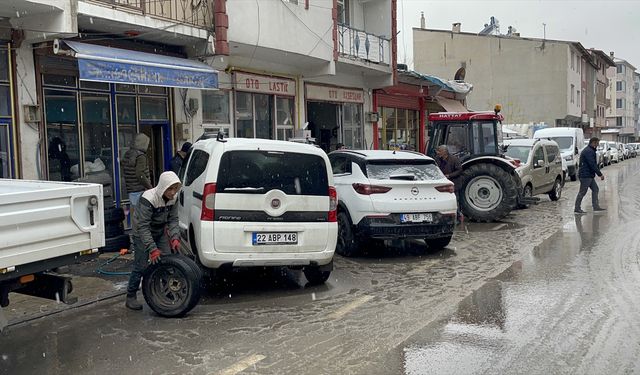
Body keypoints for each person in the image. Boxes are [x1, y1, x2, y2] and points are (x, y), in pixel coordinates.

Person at [125, 171, 182, 310]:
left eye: (175, 188)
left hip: (159, 230)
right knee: (141, 265)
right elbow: (143, 226)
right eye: (170, 189)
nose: (173, 192)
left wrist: (175, 237)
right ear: (163, 187)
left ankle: (164, 293)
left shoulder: (174, 198)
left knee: (167, 261)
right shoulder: (149, 199)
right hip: (141, 232)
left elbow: (173, 219)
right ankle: (130, 296)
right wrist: (152, 248)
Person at [574, 137, 605, 214]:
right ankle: (577, 208)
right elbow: (592, 164)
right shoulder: (589, 151)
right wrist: (600, 174)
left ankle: (596, 207)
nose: (598, 145)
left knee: (595, 189)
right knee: (582, 192)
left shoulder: (590, 150)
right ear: (593, 142)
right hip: (585, 175)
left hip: (589, 175)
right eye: (597, 143)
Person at [122, 133, 152, 208]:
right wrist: (149, 187)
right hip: (140, 190)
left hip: (131, 190)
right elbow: (140, 174)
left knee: (135, 215)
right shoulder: (141, 156)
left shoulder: (127, 154)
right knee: (143, 216)